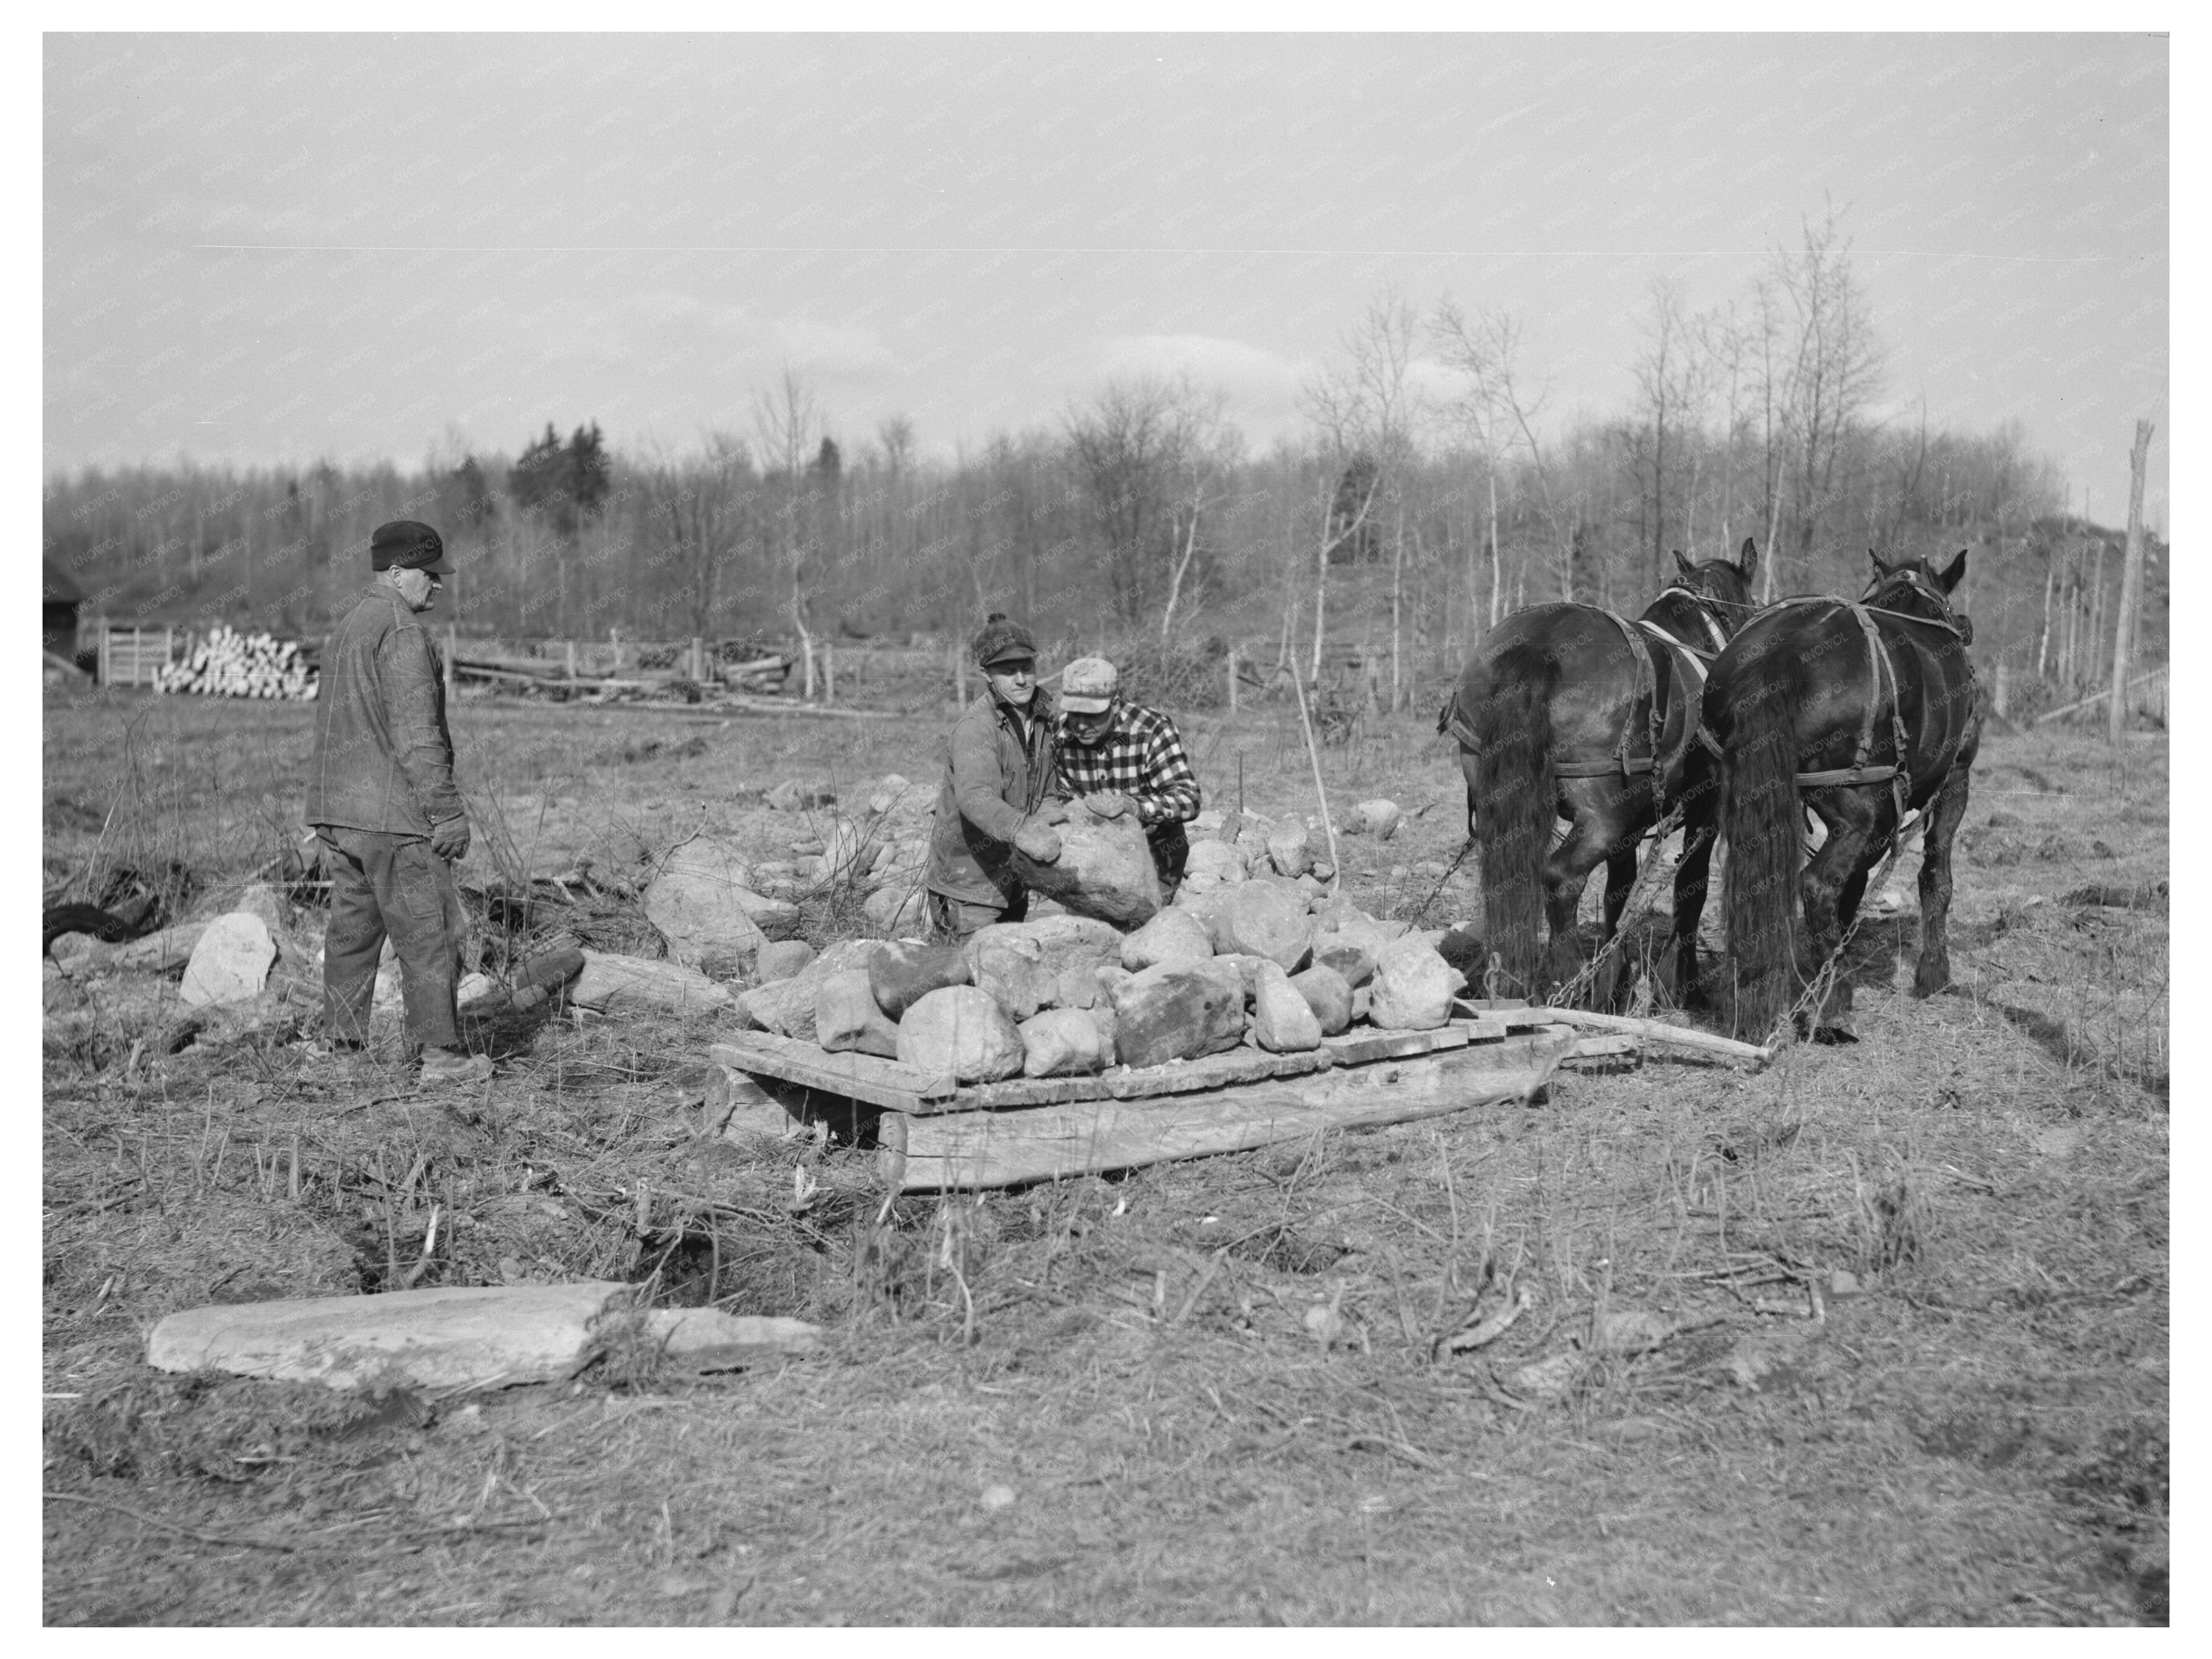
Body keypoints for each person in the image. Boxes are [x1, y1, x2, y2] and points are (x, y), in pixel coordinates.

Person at [302, 519, 490, 1083]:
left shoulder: (348, 628)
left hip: (342, 813)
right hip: (395, 818)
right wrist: (447, 812)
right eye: (431, 574)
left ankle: (342, 1050)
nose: (439, 585)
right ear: (398, 572)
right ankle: (440, 1057)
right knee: (430, 933)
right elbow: (417, 736)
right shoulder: (402, 633)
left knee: (352, 935)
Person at [923, 613, 1067, 941]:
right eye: (1008, 670)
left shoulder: (1044, 721)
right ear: (986, 673)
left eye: (1027, 668)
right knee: (968, 982)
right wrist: (1023, 828)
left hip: (1015, 882)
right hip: (969, 890)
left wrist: (1048, 811)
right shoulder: (977, 727)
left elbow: (1050, 786)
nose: (1021, 679)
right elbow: (976, 797)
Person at [1051, 655, 1202, 897]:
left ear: (1116, 704)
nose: (1080, 725)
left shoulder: (1152, 730)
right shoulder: (1057, 735)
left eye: (1091, 715)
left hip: (1155, 850)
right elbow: (1056, 797)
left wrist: (1136, 807)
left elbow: (1189, 800)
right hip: (1093, 852)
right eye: (1074, 714)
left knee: (1147, 924)